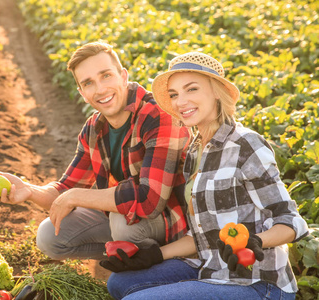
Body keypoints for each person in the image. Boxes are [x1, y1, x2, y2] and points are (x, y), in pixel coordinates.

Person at [100, 52, 309, 299]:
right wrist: (155, 255)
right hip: (208, 269)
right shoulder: (195, 150)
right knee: (120, 284)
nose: (180, 102)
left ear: (216, 92)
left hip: (256, 283)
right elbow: (200, 238)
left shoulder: (246, 144)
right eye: (175, 94)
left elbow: (291, 221)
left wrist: (255, 241)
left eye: (192, 89)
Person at [0, 41, 190, 260]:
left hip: (170, 223)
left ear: (123, 76)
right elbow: (65, 189)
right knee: (49, 236)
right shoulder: (94, 129)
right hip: (126, 215)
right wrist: (29, 191)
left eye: (106, 76)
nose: (100, 89)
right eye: (89, 83)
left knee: (123, 225)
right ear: (82, 93)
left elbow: (150, 202)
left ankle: (156, 270)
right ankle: (122, 259)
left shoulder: (159, 116)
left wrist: (77, 196)